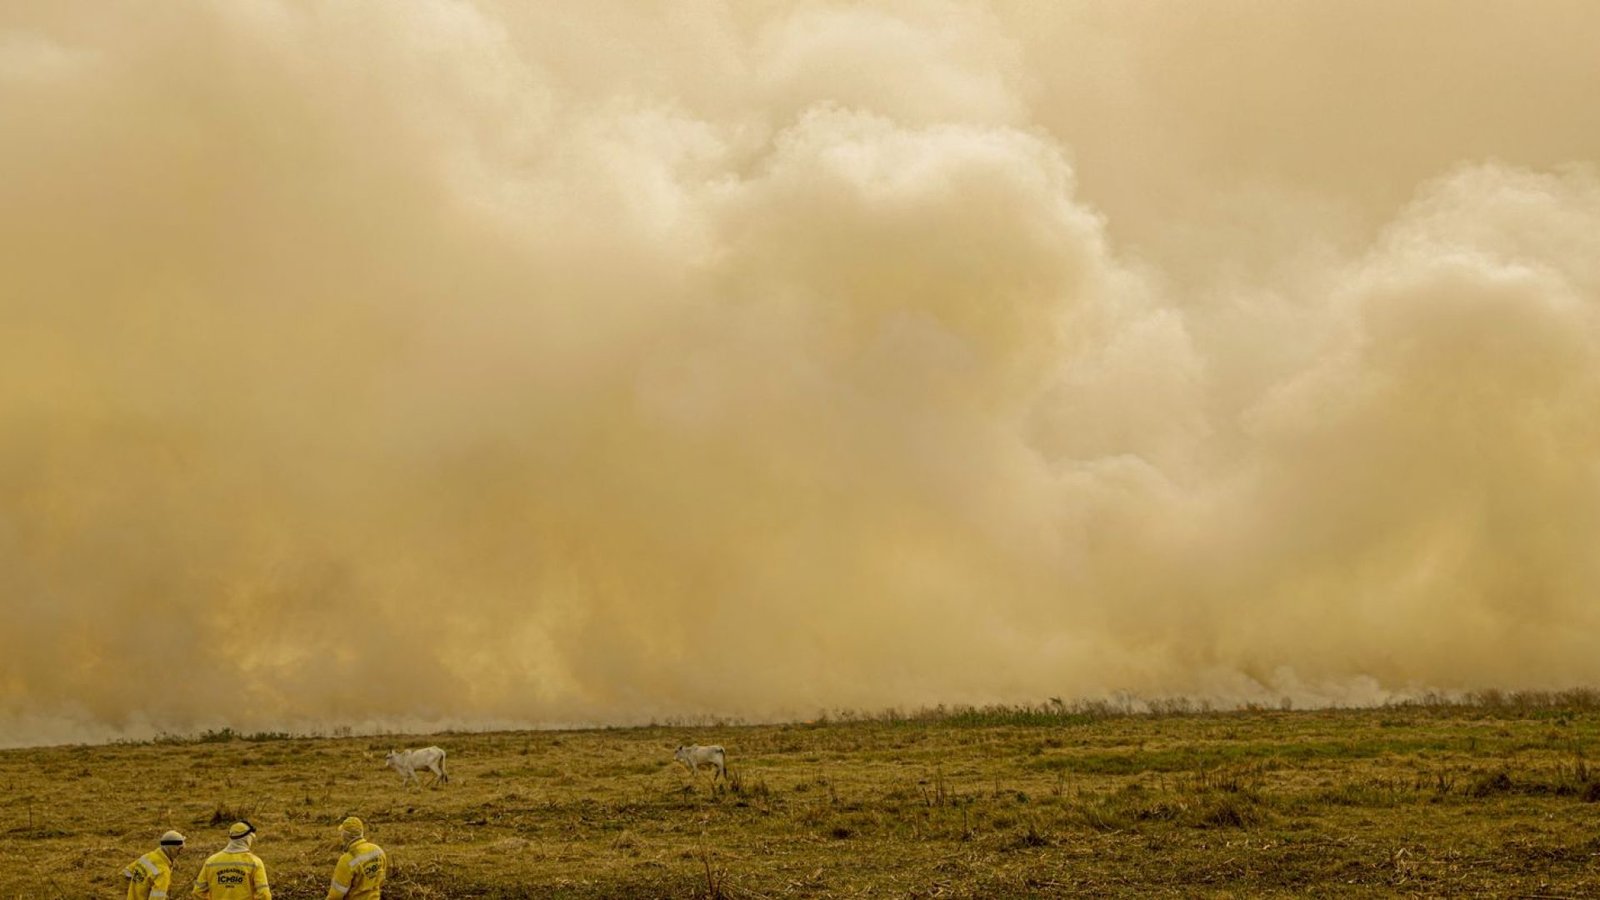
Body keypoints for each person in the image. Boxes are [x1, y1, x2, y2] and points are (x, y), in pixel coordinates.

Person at [192, 821, 270, 899]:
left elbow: (197, 892)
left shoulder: (211, 861)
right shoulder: (254, 862)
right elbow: (264, 894)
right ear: (248, 839)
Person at [325, 816, 386, 899]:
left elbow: (336, 896)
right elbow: (381, 880)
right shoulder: (378, 851)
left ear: (344, 836)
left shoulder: (347, 860)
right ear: (361, 833)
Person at [123, 830, 185, 900]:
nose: (180, 853)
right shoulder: (163, 872)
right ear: (172, 849)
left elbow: (127, 873)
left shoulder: (148, 857)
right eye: (179, 849)